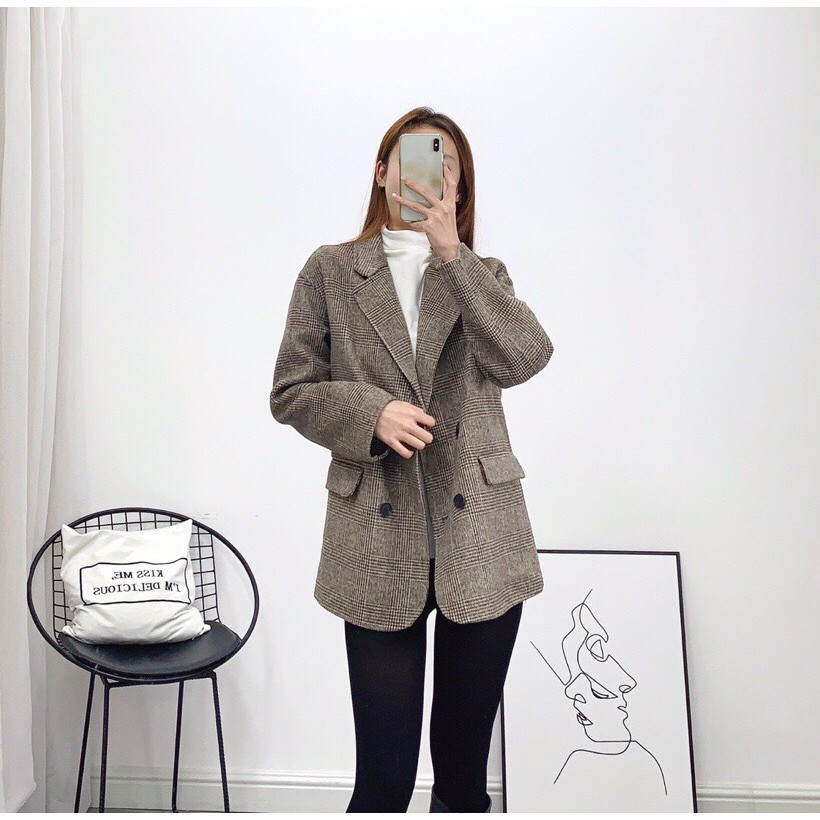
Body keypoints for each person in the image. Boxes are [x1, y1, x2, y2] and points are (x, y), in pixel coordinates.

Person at [269, 106, 554, 812]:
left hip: (480, 539)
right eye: (417, 157)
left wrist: (452, 254)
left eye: (447, 164)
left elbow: (525, 357)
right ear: (381, 172)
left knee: (462, 782)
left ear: (460, 188)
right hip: (375, 536)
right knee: (383, 784)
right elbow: (290, 390)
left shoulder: (481, 273)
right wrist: (370, 413)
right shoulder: (331, 271)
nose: (432, 173)